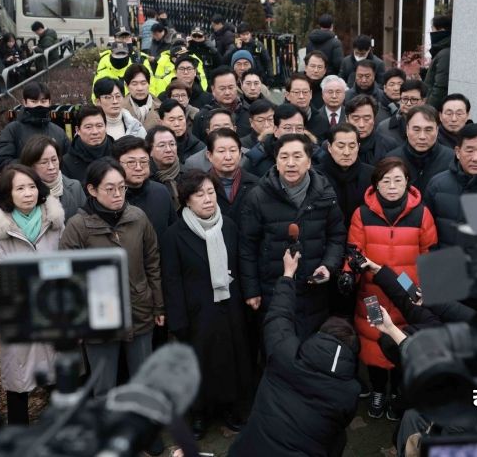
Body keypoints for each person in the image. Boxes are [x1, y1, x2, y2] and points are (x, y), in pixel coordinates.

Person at [228, 249, 360, 457]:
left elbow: (279, 315)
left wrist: (288, 274)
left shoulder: (284, 354)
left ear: (319, 335)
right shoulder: (349, 392)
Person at [60, 157, 165, 396]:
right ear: (92, 190)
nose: (118, 194)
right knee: (104, 386)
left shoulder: (137, 217)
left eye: (122, 187)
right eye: (110, 188)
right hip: (99, 317)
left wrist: (158, 306)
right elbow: (68, 279)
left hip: (139, 308)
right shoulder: (77, 227)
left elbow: (152, 262)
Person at [161, 170, 250, 439]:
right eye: (199, 194)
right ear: (187, 200)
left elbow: (240, 265)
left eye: (211, 192)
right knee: (199, 365)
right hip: (197, 312)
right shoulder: (174, 234)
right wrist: (178, 320)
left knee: (231, 361)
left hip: (229, 307)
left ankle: (230, 408)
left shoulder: (230, 226)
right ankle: (199, 413)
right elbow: (172, 280)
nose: (207, 199)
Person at [347, 156, 437, 420]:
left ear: (408, 182)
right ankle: (377, 390)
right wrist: (350, 273)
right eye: (385, 180)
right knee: (374, 339)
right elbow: (354, 252)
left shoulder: (422, 213)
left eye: (398, 179)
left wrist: (422, 288)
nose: (392, 185)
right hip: (372, 292)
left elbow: (429, 254)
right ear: (375, 184)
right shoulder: (362, 213)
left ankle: (397, 391)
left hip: (408, 291)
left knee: (401, 339)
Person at [240, 133, 346, 338]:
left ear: (309, 162)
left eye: (297, 156)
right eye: (284, 157)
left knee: (312, 352)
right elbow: (247, 246)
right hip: (274, 290)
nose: (290, 163)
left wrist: (329, 265)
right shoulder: (258, 196)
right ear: (276, 162)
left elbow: (336, 235)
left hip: (314, 291)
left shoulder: (325, 192)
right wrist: (251, 289)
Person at [0, 164, 63, 424]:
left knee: (57, 375)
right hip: (18, 311)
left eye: (31, 186)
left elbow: (68, 262)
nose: (28, 193)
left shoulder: (54, 221)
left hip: (54, 309)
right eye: (20, 188)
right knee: (18, 379)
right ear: (8, 194)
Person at [0, 81, 71, 171]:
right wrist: (32, 166)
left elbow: (68, 161)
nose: (39, 105)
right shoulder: (13, 129)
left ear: (49, 102)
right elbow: (1, 161)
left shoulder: (58, 132)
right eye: (34, 101)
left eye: (43, 101)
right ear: (25, 102)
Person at [111, 136, 176, 240]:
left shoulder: (161, 192)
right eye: (131, 162)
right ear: (116, 163)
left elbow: (173, 232)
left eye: (143, 161)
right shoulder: (109, 196)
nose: (138, 167)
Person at [316, 123, 373, 228]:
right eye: (341, 146)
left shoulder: (371, 175)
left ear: (358, 147)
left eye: (352, 146)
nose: (347, 152)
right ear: (329, 147)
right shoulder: (316, 175)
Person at [386, 105, 454, 194]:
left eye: (428, 130)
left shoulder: (451, 159)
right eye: (416, 129)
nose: (422, 137)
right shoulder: (392, 160)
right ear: (407, 129)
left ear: (437, 130)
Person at [19, 135, 86, 222]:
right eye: (44, 162)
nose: (51, 167)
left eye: (54, 160)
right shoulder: (24, 192)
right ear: (31, 165)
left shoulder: (75, 187)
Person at [205, 128, 259, 223]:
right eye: (221, 151)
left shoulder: (256, 184)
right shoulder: (201, 186)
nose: (228, 157)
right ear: (209, 155)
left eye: (233, 150)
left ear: (240, 154)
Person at [241, 103, 306, 178]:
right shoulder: (256, 159)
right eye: (288, 128)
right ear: (275, 130)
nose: (294, 133)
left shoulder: (315, 155)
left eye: (299, 128)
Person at [192, 67, 252, 140]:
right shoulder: (202, 117)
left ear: (236, 86)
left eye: (230, 87)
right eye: (222, 89)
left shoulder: (250, 113)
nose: (227, 92)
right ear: (213, 89)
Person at [62, 106, 114, 185]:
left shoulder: (118, 153)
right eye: (88, 127)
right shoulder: (66, 162)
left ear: (106, 127)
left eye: (99, 126)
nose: (95, 132)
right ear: (78, 130)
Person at [345, 95, 398, 166]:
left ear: (374, 119)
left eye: (366, 119)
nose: (361, 125)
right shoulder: (334, 145)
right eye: (356, 119)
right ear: (347, 119)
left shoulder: (389, 145)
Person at [376, 80, 429, 146]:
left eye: (414, 100)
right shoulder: (384, 128)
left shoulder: (431, 126)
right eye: (405, 99)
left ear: (423, 101)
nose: (408, 103)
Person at [158, 98, 205, 164]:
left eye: (180, 119)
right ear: (160, 122)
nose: (177, 124)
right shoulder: (153, 146)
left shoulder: (199, 148)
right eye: (172, 120)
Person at [147, 125, 183, 209]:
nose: (168, 149)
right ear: (150, 151)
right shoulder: (144, 178)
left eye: (172, 144)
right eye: (162, 145)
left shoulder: (187, 174)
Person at [284, 73, 327, 142]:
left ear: (311, 94)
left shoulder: (322, 121)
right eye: (296, 92)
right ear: (287, 95)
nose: (301, 96)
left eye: (305, 92)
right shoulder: (278, 118)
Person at [423, 15, 452, 111]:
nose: (431, 33)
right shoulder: (443, 51)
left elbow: (440, 88)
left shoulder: (445, 54)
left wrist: (428, 110)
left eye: (433, 29)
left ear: (441, 30)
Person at [122, 64, 161, 130]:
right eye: (134, 84)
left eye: (143, 83)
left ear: (149, 83)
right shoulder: (120, 110)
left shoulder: (161, 108)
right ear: (126, 86)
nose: (140, 88)